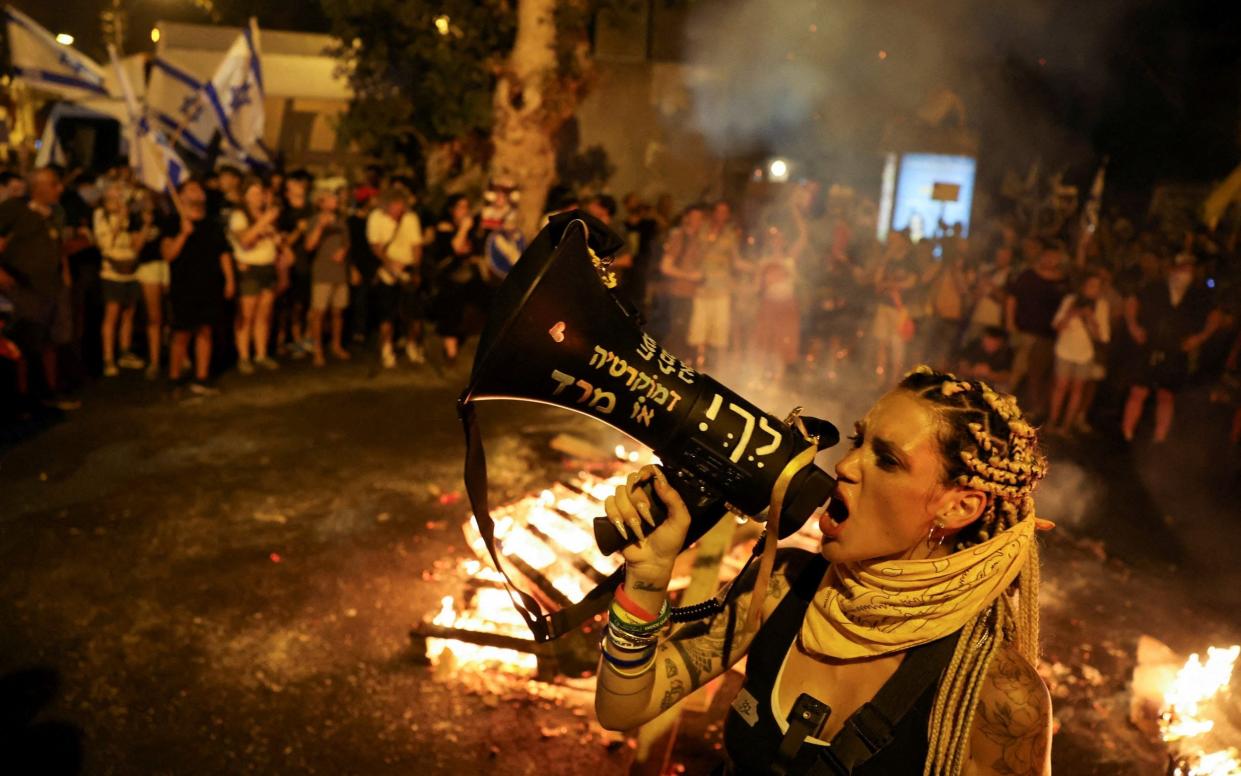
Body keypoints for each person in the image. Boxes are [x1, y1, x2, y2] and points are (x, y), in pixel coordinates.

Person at [596, 366, 1052, 775]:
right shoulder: (783, 583)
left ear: (960, 507)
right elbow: (623, 707)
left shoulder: (998, 695)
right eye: (859, 442)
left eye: (888, 460)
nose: (846, 465)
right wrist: (650, 572)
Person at [1121, 252, 1221, 443]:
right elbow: (1132, 301)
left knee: (1166, 395)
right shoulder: (1155, 287)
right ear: (1173, 269)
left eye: (1189, 269)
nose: (1185, 273)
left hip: (1176, 350)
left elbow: (1215, 316)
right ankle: (1127, 432)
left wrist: (1200, 338)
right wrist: (1133, 326)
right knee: (1138, 391)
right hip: (1149, 345)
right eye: (1182, 268)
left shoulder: (1198, 294)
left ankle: (1159, 438)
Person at [0, 167, 78, 409]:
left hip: (50, 288)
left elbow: (57, 245)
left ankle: (49, 393)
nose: (60, 188)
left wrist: (65, 276)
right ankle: (25, 400)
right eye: (54, 184)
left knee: (50, 343)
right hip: (23, 290)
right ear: (38, 187)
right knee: (27, 345)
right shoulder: (14, 210)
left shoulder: (53, 214)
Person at [163, 180, 235, 395]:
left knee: (205, 332)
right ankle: (174, 379)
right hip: (185, 287)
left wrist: (230, 280)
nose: (197, 192)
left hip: (210, 286)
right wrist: (183, 235)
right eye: (192, 189)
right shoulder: (173, 221)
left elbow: (224, 254)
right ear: (181, 196)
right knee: (182, 334)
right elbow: (168, 254)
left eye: (199, 188)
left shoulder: (213, 223)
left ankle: (201, 379)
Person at [93, 182, 150, 376]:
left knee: (128, 314)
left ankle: (125, 352)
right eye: (113, 198)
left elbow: (136, 246)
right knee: (112, 315)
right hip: (112, 274)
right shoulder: (101, 217)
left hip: (131, 272)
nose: (117, 201)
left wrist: (145, 226)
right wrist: (120, 219)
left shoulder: (129, 219)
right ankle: (108, 358)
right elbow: (106, 244)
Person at [1005, 245, 1067, 419]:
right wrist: (1010, 322)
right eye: (1047, 256)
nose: (1050, 261)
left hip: (1048, 335)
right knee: (1019, 367)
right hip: (1026, 331)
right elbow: (1012, 298)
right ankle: (1002, 401)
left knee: (1038, 373)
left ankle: (1032, 409)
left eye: (1054, 257)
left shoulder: (1062, 281)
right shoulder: (1028, 276)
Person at [367, 186, 425, 368]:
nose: (398, 209)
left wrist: (415, 269)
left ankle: (411, 344)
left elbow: (416, 246)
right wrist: (390, 264)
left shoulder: (410, 218)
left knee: (414, 314)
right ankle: (386, 348)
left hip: (407, 269)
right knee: (387, 315)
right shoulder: (376, 218)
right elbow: (375, 246)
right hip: (387, 271)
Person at [229, 178, 282, 374]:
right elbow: (245, 241)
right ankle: (244, 356)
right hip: (250, 269)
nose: (257, 197)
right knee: (246, 315)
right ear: (245, 197)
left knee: (264, 314)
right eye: (253, 193)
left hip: (268, 267)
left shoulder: (265, 215)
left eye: (260, 193)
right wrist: (264, 221)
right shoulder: (239, 216)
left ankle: (261, 353)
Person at [1046, 271, 1110, 434]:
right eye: (1090, 285)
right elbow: (1057, 326)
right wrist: (1072, 314)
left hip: (1085, 353)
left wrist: (1091, 320)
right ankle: (1052, 422)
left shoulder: (1102, 306)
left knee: (1077, 389)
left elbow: (1103, 337)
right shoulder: (1071, 300)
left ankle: (1066, 425)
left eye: (1097, 286)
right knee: (1061, 387)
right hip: (1065, 350)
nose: (1093, 289)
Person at [426, 194, 486, 363]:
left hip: (468, 276)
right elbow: (456, 248)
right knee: (451, 308)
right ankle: (450, 351)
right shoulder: (445, 227)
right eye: (460, 207)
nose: (464, 211)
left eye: (466, 207)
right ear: (451, 209)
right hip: (449, 277)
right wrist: (464, 228)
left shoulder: (472, 228)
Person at [687, 200, 743, 369]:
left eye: (724, 212)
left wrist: (756, 267)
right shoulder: (701, 230)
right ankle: (698, 365)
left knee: (720, 330)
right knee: (699, 329)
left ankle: (719, 368)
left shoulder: (731, 235)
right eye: (718, 211)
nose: (721, 215)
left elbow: (736, 260)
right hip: (702, 288)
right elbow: (692, 251)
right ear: (713, 213)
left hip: (721, 289)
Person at [304, 187, 351, 367]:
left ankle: (336, 345)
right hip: (322, 272)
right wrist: (320, 227)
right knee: (319, 312)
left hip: (339, 272)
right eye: (330, 199)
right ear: (320, 203)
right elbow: (309, 246)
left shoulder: (341, 221)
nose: (335, 201)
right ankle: (317, 349)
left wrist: (343, 252)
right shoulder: (314, 220)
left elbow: (346, 243)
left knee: (338, 311)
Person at [657, 204, 705, 357]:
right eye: (694, 218)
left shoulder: (697, 238)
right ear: (687, 218)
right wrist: (689, 276)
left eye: (700, 218)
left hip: (690, 294)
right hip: (677, 293)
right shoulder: (679, 237)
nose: (697, 221)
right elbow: (665, 266)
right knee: (676, 332)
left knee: (684, 332)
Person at [132, 188, 169, 379]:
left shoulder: (165, 215)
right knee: (154, 317)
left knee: (171, 313)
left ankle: (179, 357)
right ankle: (154, 361)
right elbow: (136, 247)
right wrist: (146, 226)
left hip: (167, 266)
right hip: (148, 268)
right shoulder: (135, 219)